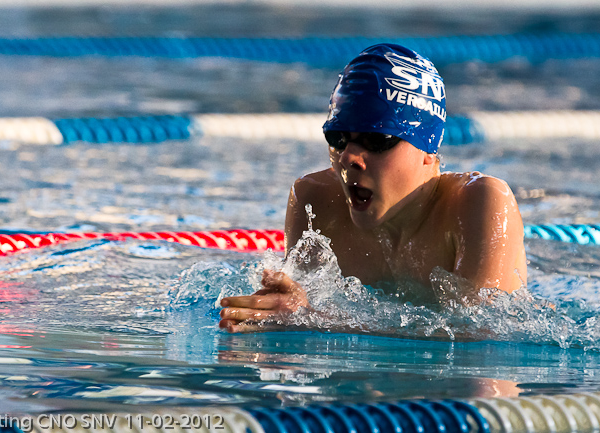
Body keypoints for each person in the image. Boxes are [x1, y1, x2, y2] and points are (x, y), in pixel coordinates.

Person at [219, 43, 527, 334]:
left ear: (428, 149)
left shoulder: (478, 204)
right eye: (339, 138)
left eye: (377, 140)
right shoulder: (315, 202)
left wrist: (312, 318)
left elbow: (482, 337)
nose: (348, 158)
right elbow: (294, 314)